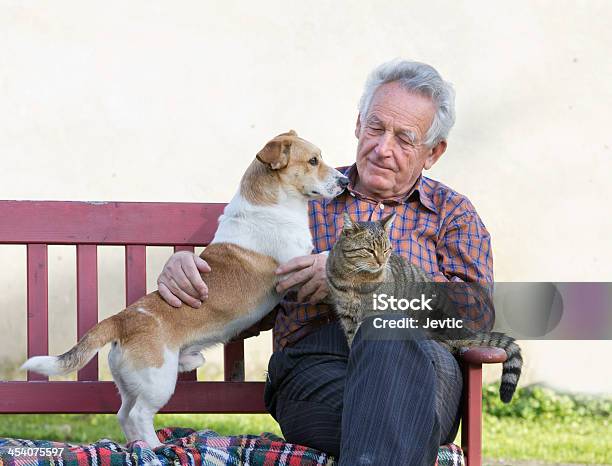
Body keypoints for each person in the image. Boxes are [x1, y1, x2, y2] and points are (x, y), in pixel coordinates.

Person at [157, 59, 493, 465]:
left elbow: (477, 318)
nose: (383, 148)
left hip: (424, 370)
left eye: (404, 138)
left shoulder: (452, 214)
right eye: (375, 128)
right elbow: (243, 294)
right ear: (357, 124)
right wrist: (186, 272)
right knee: (398, 419)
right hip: (317, 368)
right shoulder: (298, 202)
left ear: (433, 152)